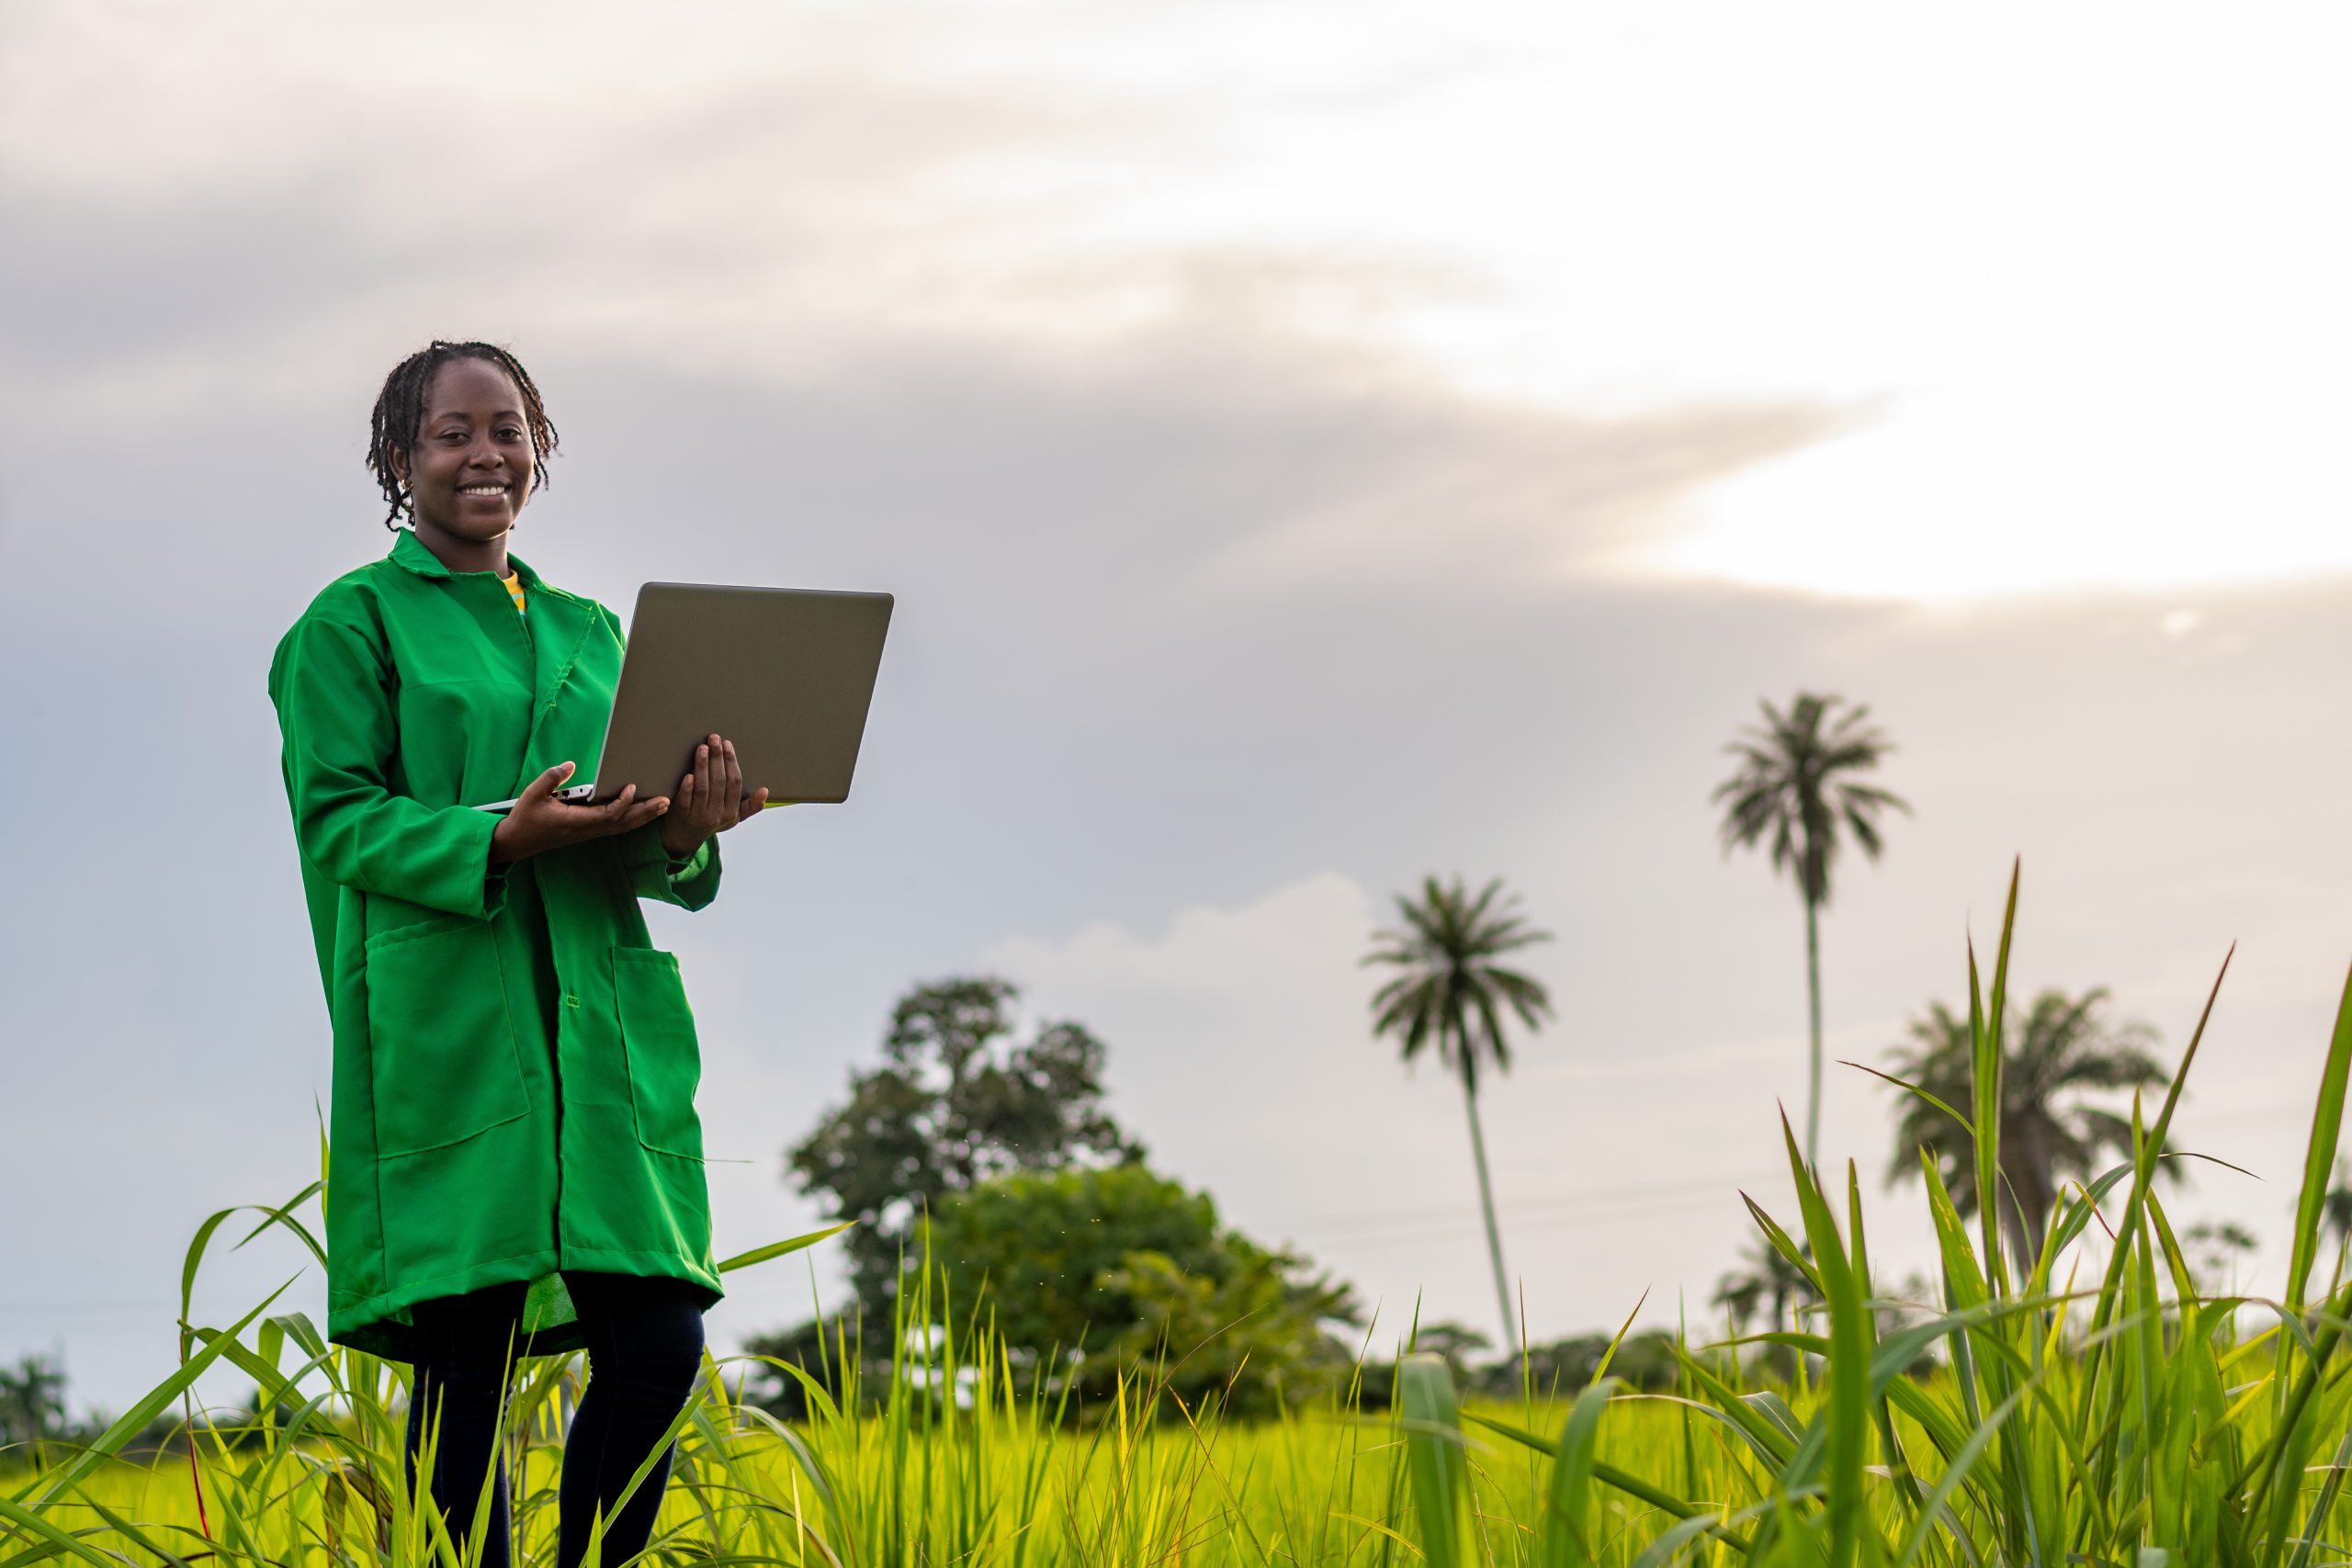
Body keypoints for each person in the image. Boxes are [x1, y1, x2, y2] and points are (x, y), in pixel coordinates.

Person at [268, 340, 769, 1568]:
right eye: (454, 433)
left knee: (656, 1343)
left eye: (509, 429)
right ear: (402, 460)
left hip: (599, 1024)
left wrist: (692, 827)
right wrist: (504, 834)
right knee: (468, 1363)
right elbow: (337, 818)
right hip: (453, 1025)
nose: (487, 453)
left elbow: (647, 846)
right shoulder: (351, 624)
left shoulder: (595, 632)